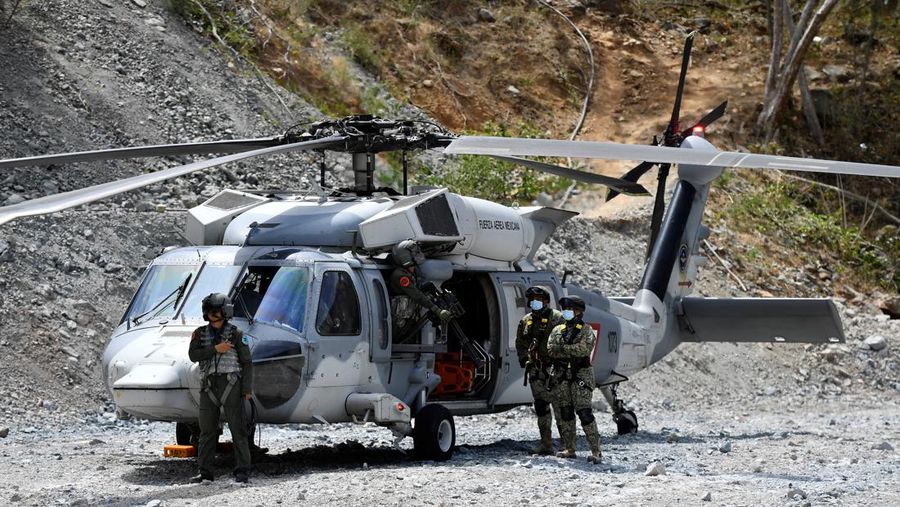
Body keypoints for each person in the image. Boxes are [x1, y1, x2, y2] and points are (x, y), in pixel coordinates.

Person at [188, 293, 253, 483]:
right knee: (206, 431)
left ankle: (242, 470)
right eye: (209, 311)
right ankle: (205, 472)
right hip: (208, 386)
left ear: (225, 311)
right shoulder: (199, 334)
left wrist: (246, 389)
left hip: (231, 384)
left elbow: (247, 363)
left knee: (238, 429)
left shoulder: (236, 334)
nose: (212, 315)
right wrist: (216, 349)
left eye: (216, 311)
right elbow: (194, 355)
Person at [547, 295, 602, 464]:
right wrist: (566, 350)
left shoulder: (586, 330)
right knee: (565, 412)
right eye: (566, 309)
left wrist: (562, 349)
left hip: (581, 376)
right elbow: (550, 349)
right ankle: (569, 448)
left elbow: (583, 349)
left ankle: (596, 451)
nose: (567, 312)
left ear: (579, 312)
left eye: (571, 309)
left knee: (584, 413)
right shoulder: (557, 330)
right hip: (562, 375)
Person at [515, 286, 565, 455]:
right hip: (536, 372)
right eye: (532, 299)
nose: (534, 302)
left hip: (556, 371)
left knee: (561, 409)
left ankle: (567, 446)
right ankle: (546, 444)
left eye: (538, 299)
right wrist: (525, 360)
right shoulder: (526, 321)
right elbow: (520, 343)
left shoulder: (558, 319)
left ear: (546, 301)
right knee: (542, 408)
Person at [389, 239, 451, 323]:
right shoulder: (400, 275)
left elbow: (418, 288)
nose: (418, 255)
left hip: (411, 314)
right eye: (414, 253)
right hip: (401, 317)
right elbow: (415, 294)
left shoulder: (413, 271)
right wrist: (436, 310)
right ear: (405, 256)